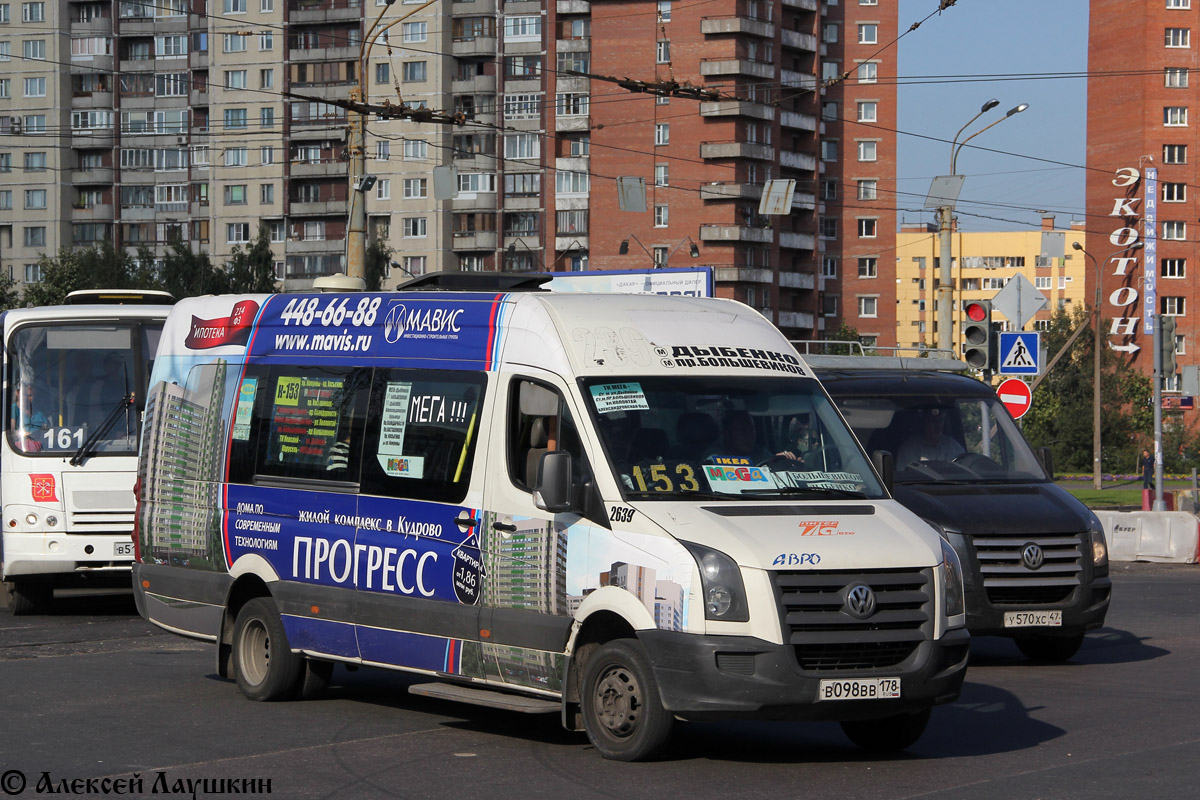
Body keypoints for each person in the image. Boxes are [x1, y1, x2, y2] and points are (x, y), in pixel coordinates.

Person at [896, 406, 964, 466]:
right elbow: (904, 477)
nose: (938, 425)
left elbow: (965, 473)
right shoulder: (909, 449)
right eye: (933, 421)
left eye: (941, 420)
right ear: (924, 422)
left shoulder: (954, 447)